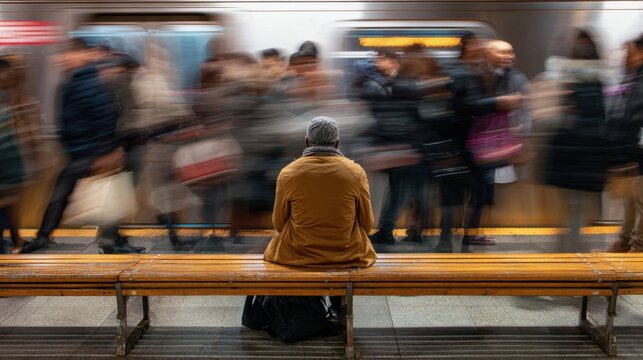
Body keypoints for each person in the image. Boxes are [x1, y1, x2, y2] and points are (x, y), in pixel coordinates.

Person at [20, 39, 139, 253]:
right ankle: (108, 240)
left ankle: (48, 237)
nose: (60, 59)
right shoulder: (76, 80)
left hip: (92, 150)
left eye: (67, 54)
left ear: (82, 54)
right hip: (83, 150)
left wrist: (106, 150)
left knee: (89, 195)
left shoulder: (88, 82)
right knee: (78, 194)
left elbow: (104, 116)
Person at [263, 116, 376, 268]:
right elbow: (367, 224)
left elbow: (278, 224)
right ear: (337, 143)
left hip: (296, 255)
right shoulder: (355, 172)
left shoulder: (288, 173)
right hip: (348, 256)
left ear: (306, 141)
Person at [541, 29, 609, 252]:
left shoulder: (562, 75)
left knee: (571, 201)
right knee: (577, 201)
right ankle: (572, 241)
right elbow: (601, 116)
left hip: (568, 149)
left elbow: (554, 115)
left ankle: (568, 241)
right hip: (586, 149)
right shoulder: (600, 79)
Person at [608, 33, 643, 252]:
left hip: (639, 149)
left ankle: (639, 245)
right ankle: (625, 239)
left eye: (632, 51)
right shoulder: (632, 76)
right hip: (630, 149)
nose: (627, 56)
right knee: (630, 199)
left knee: (640, 200)